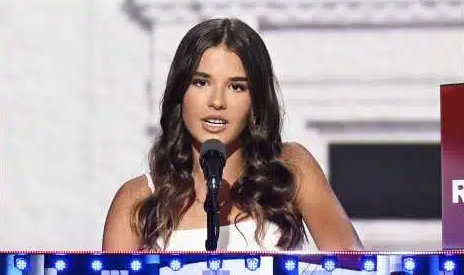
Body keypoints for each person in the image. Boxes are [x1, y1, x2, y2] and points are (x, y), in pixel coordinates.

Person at [102, 17, 362, 253]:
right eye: (201, 82)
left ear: (256, 100)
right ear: (180, 91)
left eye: (237, 87)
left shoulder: (291, 169)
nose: (217, 101)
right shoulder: (137, 199)